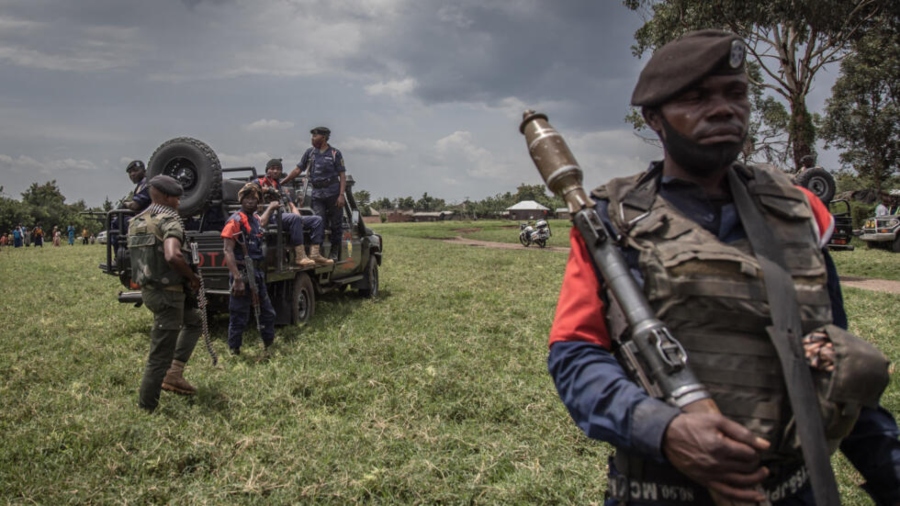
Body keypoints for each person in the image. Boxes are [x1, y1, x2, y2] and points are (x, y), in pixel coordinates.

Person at [547, 30, 900, 505]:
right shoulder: (611, 222)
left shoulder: (802, 212)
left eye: (735, 94)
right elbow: (576, 356)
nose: (722, 108)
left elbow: (832, 358)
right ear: (654, 118)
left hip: (796, 490)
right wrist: (663, 429)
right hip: (659, 491)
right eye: (695, 98)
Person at [127, 175, 202, 413]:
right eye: (177, 198)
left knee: (195, 321)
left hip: (150, 291)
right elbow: (172, 255)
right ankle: (147, 408)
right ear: (168, 198)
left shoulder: (137, 220)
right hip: (169, 294)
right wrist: (192, 277)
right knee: (159, 354)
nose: (180, 203)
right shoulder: (169, 220)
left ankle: (175, 372)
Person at [221, 183, 279, 356]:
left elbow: (262, 222)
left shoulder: (253, 219)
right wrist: (237, 279)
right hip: (242, 273)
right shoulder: (235, 221)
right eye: (247, 198)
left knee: (267, 313)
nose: (250, 201)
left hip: (257, 272)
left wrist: (271, 208)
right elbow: (227, 250)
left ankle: (268, 345)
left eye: (254, 198)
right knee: (239, 314)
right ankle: (234, 350)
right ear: (241, 200)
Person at [282, 126, 347, 261]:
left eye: (314, 136)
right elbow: (298, 170)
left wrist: (341, 195)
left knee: (336, 224)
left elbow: (342, 175)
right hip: (317, 193)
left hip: (333, 192)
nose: (312, 139)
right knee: (319, 222)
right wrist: (283, 181)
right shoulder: (310, 153)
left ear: (323, 137)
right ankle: (318, 251)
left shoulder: (335, 153)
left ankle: (335, 252)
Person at [255, 158, 333, 268]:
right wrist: (268, 190)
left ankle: (315, 254)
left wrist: (299, 217)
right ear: (267, 170)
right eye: (272, 169)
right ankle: (300, 256)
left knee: (317, 220)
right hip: (271, 216)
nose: (276, 171)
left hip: (284, 216)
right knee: (293, 218)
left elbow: (292, 206)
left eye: (278, 169)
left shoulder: (281, 188)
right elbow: (250, 188)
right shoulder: (260, 182)